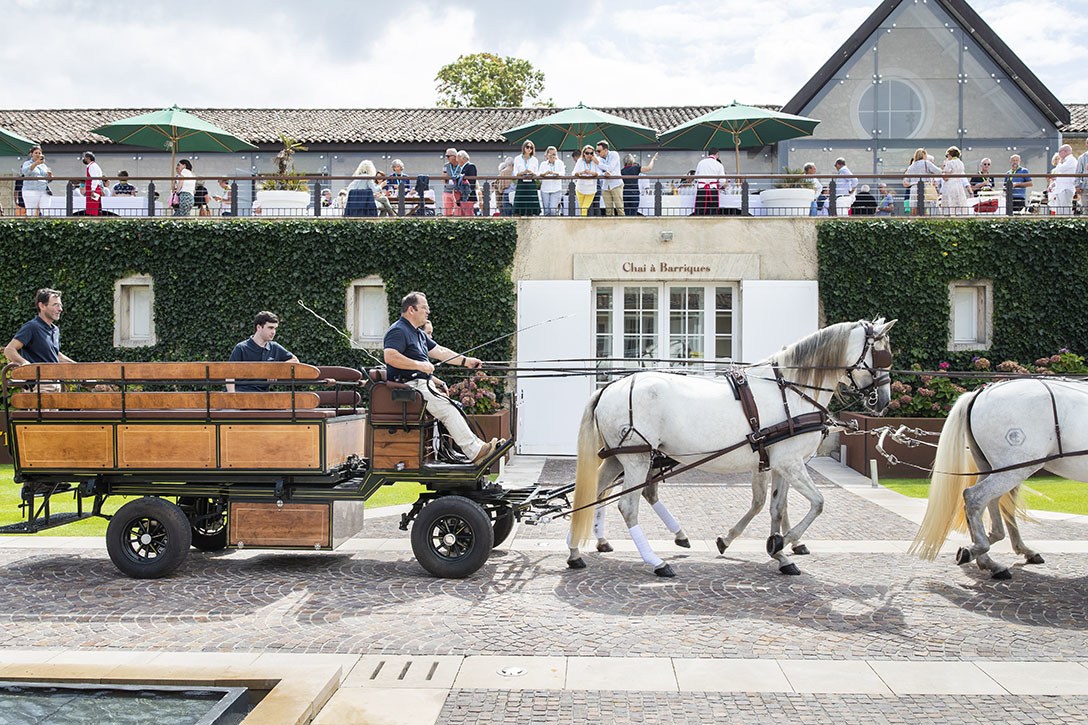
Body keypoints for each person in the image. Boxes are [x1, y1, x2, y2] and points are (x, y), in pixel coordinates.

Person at [382, 292, 501, 464]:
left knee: (453, 406)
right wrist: (420, 365)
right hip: (409, 387)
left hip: (422, 384)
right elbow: (390, 356)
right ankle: (475, 452)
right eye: (424, 307)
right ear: (411, 309)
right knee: (447, 409)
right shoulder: (398, 331)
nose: (428, 311)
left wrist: (466, 361)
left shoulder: (419, 334)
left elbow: (440, 351)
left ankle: (479, 447)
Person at [226, 311, 299, 393]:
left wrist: (276, 370)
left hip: (263, 398)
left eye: (275, 328)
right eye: (270, 328)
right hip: (241, 395)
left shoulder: (274, 347)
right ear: (259, 327)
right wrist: (232, 398)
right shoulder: (241, 348)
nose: (273, 332)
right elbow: (229, 374)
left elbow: (295, 360)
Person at [4, 288, 76, 366]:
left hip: (55, 377)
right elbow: (9, 350)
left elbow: (55, 355)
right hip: (37, 377)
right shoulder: (32, 327)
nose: (60, 309)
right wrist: (25, 364)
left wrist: (78, 366)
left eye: (60, 305)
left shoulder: (55, 330)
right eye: (55, 305)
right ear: (42, 306)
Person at [903, 148, 940, 216]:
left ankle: (913, 224)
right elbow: (938, 171)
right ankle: (924, 223)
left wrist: (913, 183)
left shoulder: (911, 166)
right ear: (923, 155)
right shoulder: (926, 163)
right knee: (924, 209)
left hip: (914, 189)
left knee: (914, 209)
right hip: (924, 188)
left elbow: (905, 181)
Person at [20, 146, 53, 217]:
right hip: (31, 190)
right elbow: (25, 172)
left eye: (39, 153)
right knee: (31, 211)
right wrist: (36, 163)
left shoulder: (44, 166)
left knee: (46, 211)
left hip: (44, 190)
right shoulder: (27, 163)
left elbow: (47, 179)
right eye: (36, 153)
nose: (38, 154)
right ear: (31, 154)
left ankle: (46, 225)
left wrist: (50, 176)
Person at [621, 152, 657, 217]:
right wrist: (652, 159)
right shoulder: (635, 168)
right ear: (632, 161)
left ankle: (627, 225)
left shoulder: (622, 171)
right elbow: (649, 168)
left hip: (625, 192)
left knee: (626, 213)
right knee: (634, 213)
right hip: (634, 192)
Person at [511, 140, 541, 216]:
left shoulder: (535, 160)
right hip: (521, 182)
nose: (529, 149)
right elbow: (515, 172)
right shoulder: (517, 159)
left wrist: (532, 173)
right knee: (520, 202)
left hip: (531, 182)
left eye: (531, 147)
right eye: (527, 147)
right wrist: (522, 173)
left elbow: (537, 172)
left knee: (531, 201)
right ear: (524, 147)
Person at [694, 148, 725, 215]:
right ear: (717, 154)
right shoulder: (719, 165)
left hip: (702, 188)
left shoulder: (701, 163)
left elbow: (696, 177)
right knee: (712, 209)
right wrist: (719, 185)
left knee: (700, 208)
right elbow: (722, 180)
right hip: (713, 189)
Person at [595, 141, 623, 216]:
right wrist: (604, 173)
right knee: (608, 209)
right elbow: (598, 172)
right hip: (605, 186)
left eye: (599, 151)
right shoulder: (599, 159)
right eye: (596, 151)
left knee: (619, 207)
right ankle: (610, 226)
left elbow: (610, 167)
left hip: (616, 184)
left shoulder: (614, 154)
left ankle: (623, 226)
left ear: (606, 150)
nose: (597, 153)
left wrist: (598, 164)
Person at [941, 146, 970, 216]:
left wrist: (942, 171)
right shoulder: (961, 163)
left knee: (949, 202)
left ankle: (949, 215)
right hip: (958, 184)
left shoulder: (949, 163)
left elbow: (946, 178)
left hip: (950, 185)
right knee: (959, 201)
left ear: (950, 155)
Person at [572, 145, 600, 216]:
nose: (589, 155)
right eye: (587, 153)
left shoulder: (595, 161)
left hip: (591, 189)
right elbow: (574, 173)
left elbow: (599, 173)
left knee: (584, 208)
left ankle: (582, 223)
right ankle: (583, 224)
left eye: (591, 153)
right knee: (582, 208)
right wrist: (582, 172)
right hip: (580, 188)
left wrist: (591, 173)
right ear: (584, 153)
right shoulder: (580, 161)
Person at [538, 145, 566, 216]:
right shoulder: (543, 164)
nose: (552, 156)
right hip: (545, 189)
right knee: (546, 211)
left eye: (554, 154)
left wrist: (555, 173)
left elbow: (562, 173)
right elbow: (539, 173)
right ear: (547, 155)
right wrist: (545, 174)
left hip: (556, 189)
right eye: (550, 154)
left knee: (553, 210)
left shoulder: (560, 163)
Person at [1050, 144, 1077, 215]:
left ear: (1066, 151)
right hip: (1060, 188)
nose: (1059, 154)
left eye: (1060, 152)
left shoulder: (1071, 160)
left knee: (1065, 209)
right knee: (1059, 210)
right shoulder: (1064, 161)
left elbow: (1060, 169)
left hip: (1066, 188)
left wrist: (1059, 162)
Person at [82, 151, 105, 217]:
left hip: (93, 189)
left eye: (85, 157)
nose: (84, 159)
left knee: (93, 207)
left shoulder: (92, 166)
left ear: (88, 158)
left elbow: (95, 178)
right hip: (94, 188)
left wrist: (92, 190)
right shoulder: (93, 165)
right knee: (93, 206)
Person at [455, 150, 478, 216]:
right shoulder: (462, 168)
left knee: (468, 215)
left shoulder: (471, 166)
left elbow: (472, 182)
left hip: (468, 196)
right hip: (463, 196)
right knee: (463, 215)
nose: (457, 161)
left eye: (458, 158)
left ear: (463, 158)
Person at [441, 147, 460, 216]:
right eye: (446, 156)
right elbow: (443, 179)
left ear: (455, 156)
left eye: (448, 156)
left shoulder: (460, 165)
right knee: (447, 212)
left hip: (457, 191)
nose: (447, 158)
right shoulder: (446, 166)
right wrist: (445, 177)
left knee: (458, 212)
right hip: (447, 191)